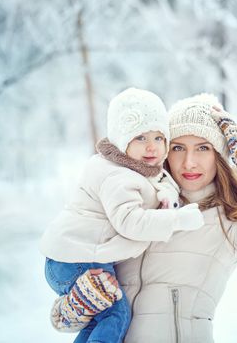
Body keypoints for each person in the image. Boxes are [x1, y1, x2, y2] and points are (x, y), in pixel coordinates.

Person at [114, 93, 237, 342]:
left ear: (219, 156)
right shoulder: (136, 206)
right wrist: (77, 298)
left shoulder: (226, 223)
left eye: (203, 148)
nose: (189, 162)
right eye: (178, 148)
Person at [39, 87, 205, 343]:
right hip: (76, 259)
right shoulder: (117, 176)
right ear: (121, 139)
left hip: (74, 255)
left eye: (159, 138)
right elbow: (130, 222)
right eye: (140, 137)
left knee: (101, 317)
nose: (151, 147)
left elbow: (160, 184)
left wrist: (168, 197)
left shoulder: (137, 171)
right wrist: (177, 219)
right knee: (115, 315)